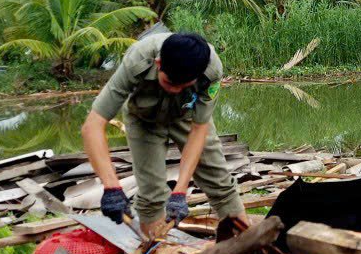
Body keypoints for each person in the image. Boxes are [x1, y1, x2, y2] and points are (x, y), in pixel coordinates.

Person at [81, 31, 249, 237]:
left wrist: (180, 191)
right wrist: (111, 187)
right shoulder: (138, 60)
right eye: (170, 83)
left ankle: (246, 248)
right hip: (144, 118)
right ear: (159, 64)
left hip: (187, 115)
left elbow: (199, 130)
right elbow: (93, 125)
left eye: (183, 85)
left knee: (220, 183)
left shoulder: (211, 71)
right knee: (152, 195)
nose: (176, 90)